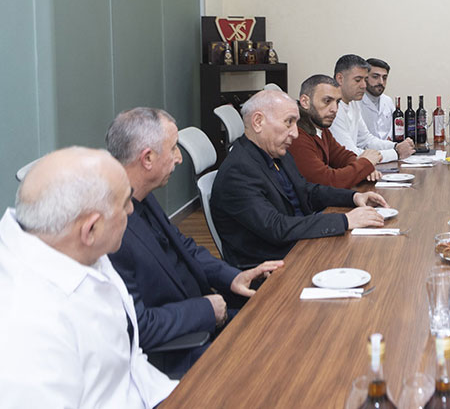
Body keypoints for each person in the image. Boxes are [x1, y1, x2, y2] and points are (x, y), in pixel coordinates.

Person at [106, 107, 283, 378]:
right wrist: (206, 310)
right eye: (173, 148)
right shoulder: (111, 230)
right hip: (178, 351)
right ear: (148, 158)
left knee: (282, 322)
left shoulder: (140, 195)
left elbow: (183, 247)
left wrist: (233, 277)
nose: (179, 158)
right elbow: (138, 326)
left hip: (204, 320)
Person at [0, 147, 177, 407]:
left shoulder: (73, 246)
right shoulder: (26, 329)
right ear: (91, 229)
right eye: (124, 203)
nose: (131, 210)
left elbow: (129, 364)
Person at [211, 89, 387, 267]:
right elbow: (276, 227)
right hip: (274, 267)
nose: (295, 133)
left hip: (300, 246)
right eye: (289, 122)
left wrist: (353, 197)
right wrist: (345, 220)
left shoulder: (276, 153)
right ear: (258, 122)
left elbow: (306, 191)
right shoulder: (238, 171)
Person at [289, 74, 384, 187]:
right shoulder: (296, 135)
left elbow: (341, 156)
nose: (334, 109)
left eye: (337, 102)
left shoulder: (320, 127)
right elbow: (328, 180)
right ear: (305, 102)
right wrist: (365, 163)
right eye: (327, 101)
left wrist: (364, 169)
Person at [331, 54, 414, 162]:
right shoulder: (332, 109)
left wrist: (395, 146)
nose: (364, 85)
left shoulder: (353, 103)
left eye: (365, 79)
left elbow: (366, 140)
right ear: (340, 79)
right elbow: (351, 155)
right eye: (358, 80)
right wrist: (396, 153)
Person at [360, 57, 394, 141]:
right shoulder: (356, 102)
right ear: (365, 77)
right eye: (375, 77)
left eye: (384, 78)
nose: (381, 82)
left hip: (389, 147)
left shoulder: (388, 101)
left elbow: (394, 129)